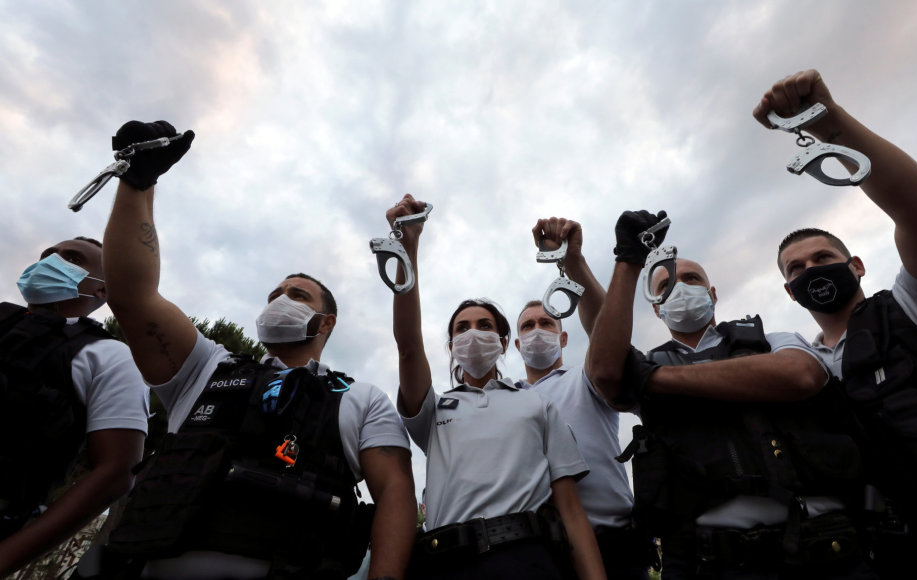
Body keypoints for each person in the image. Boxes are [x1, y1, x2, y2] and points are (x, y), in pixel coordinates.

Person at [91, 120, 416, 580]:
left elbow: (396, 494)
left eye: (298, 295)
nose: (280, 300)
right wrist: (138, 183)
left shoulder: (362, 399)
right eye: (274, 294)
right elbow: (132, 296)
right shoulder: (204, 368)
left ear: (326, 322)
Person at [760, 69, 917, 577]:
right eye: (798, 269)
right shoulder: (798, 371)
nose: (812, 270)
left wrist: (830, 125)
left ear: (855, 266)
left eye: (824, 257)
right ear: (790, 291)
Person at [586, 211, 874, 580]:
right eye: (664, 287)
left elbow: (801, 374)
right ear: (656, 308)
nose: (680, 288)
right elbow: (605, 373)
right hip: (709, 563)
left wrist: (656, 379)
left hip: (821, 550)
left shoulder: (770, 340)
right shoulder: (643, 363)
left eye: (691, 279)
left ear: (712, 293)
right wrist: (629, 261)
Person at [387, 194, 606, 580]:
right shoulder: (433, 409)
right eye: (462, 328)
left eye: (485, 326)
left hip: (529, 561)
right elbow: (407, 347)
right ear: (451, 346)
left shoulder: (537, 405)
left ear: (506, 343)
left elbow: (571, 510)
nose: (473, 333)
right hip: (445, 564)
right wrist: (408, 244)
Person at [515, 217, 654, 579]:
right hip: (537, 553)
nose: (537, 331)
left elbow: (609, 334)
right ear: (515, 344)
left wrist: (572, 261)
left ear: (564, 339)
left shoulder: (587, 376)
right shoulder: (508, 399)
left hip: (613, 548)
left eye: (547, 323)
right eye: (527, 326)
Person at [0, 237, 148, 576]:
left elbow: (115, 472)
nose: (50, 261)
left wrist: (7, 556)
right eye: (48, 255)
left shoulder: (110, 357)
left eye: (71, 258)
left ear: (100, 290)